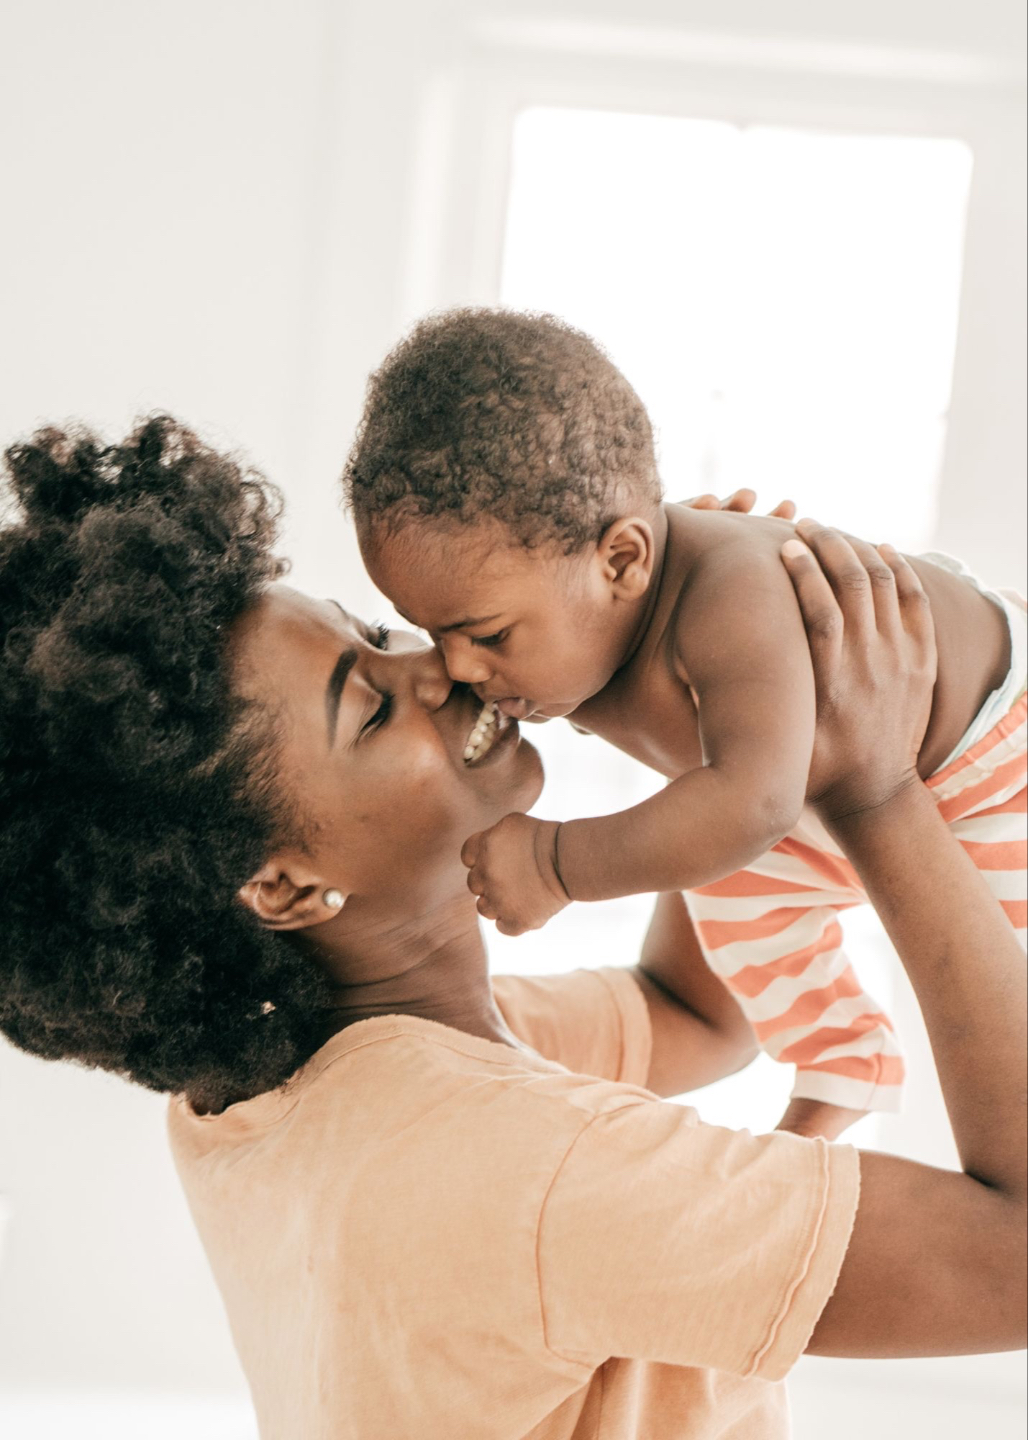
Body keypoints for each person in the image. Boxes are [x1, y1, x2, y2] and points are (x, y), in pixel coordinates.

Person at [0, 418, 1024, 1440]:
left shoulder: (299, 1086)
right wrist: (879, 791)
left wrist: (718, 687)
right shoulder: (523, 1170)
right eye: (368, 712)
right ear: (283, 888)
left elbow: (695, 1014)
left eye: (374, 631)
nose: (436, 668)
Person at [344, 308, 1028, 1140]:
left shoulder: (731, 597)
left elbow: (752, 804)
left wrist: (558, 862)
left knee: (991, 980)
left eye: (484, 635)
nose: (454, 667)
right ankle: (843, 1059)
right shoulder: (582, 626)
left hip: (991, 760)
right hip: (810, 799)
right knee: (734, 901)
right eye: (426, 627)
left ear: (623, 561)